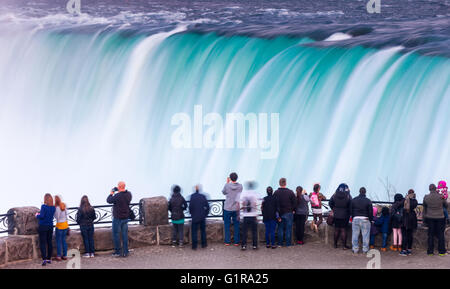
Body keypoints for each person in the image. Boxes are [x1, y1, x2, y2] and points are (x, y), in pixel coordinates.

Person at [107, 181, 132, 257]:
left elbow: (109, 200)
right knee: (124, 235)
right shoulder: (129, 194)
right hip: (125, 217)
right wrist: (119, 190)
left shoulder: (117, 196)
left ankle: (117, 252)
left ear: (119, 187)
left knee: (116, 235)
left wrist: (111, 193)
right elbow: (123, 196)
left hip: (118, 218)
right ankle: (125, 251)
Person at [423, 184, 448, 256]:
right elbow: (446, 205)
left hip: (430, 218)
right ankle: (441, 252)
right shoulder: (441, 196)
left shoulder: (426, 197)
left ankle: (430, 252)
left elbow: (424, 206)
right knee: (441, 234)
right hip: (440, 217)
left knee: (430, 235)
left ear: (429, 189)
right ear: (435, 188)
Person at [222, 172, 243, 247]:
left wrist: (227, 182)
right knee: (236, 225)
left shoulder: (227, 185)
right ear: (237, 178)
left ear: (230, 178)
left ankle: (227, 241)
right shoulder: (240, 186)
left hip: (227, 208)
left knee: (227, 225)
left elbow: (223, 192)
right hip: (236, 208)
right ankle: (236, 242)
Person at [274, 178, 296, 247]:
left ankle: (280, 244)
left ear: (279, 183)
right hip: (289, 213)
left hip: (280, 213)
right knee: (288, 229)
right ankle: (288, 244)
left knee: (280, 228)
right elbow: (294, 203)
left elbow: (274, 203)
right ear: (285, 183)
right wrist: (293, 209)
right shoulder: (290, 192)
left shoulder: (276, 192)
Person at [329, 183, 352, 250]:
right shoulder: (348, 195)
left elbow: (330, 203)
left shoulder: (335, 195)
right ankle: (344, 246)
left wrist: (334, 209)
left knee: (336, 229)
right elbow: (351, 205)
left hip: (336, 214)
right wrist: (349, 212)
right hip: (345, 215)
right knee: (343, 230)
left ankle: (335, 245)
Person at [351, 187, 373, 254]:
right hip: (365, 219)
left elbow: (351, 210)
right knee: (365, 235)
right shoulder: (368, 201)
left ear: (359, 191)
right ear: (365, 192)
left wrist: (353, 216)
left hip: (356, 218)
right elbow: (370, 212)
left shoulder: (354, 200)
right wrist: (370, 219)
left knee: (355, 234)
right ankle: (365, 250)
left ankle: (355, 249)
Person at [36, 193, 56, 266]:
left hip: (43, 226)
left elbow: (42, 216)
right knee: (49, 242)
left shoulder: (43, 206)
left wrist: (37, 215)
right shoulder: (53, 207)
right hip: (50, 226)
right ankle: (49, 258)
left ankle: (44, 259)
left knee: (43, 243)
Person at [239, 181, 259, 250]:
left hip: (245, 215)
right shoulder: (255, 194)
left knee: (244, 232)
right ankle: (254, 245)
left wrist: (239, 214)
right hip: (253, 215)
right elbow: (255, 204)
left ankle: (244, 245)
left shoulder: (243, 194)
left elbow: (241, 203)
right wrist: (257, 215)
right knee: (254, 231)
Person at [189, 184, 210, 250]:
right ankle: (204, 244)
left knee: (194, 231)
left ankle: (194, 246)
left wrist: (191, 214)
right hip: (202, 216)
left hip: (195, 217)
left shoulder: (192, 197)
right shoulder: (203, 196)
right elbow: (207, 207)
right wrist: (205, 214)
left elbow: (190, 207)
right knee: (203, 231)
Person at [400, 189, 418, 256]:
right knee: (410, 235)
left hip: (405, 219)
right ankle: (409, 250)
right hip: (412, 219)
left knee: (404, 235)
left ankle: (404, 250)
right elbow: (414, 206)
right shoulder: (415, 201)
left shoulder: (405, 200)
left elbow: (401, 205)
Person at [54, 195, 69, 261]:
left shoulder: (57, 208)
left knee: (58, 242)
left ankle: (59, 256)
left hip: (59, 226)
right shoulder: (64, 205)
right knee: (64, 241)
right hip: (65, 225)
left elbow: (57, 217)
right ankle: (65, 255)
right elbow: (66, 215)